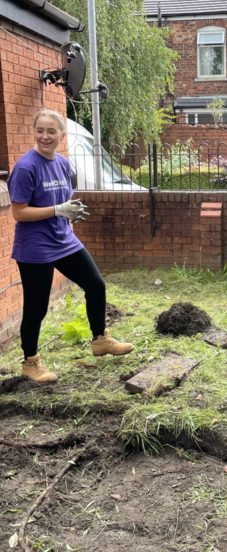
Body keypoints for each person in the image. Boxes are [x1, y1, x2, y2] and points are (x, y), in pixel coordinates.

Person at [8, 109, 134, 383]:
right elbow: (19, 213)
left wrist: (71, 210)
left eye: (51, 131)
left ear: (61, 135)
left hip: (64, 240)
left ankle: (100, 339)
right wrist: (57, 210)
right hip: (35, 248)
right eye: (40, 130)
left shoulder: (63, 164)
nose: (45, 136)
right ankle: (30, 362)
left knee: (95, 284)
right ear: (34, 131)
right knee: (36, 307)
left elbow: (64, 199)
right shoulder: (26, 167)